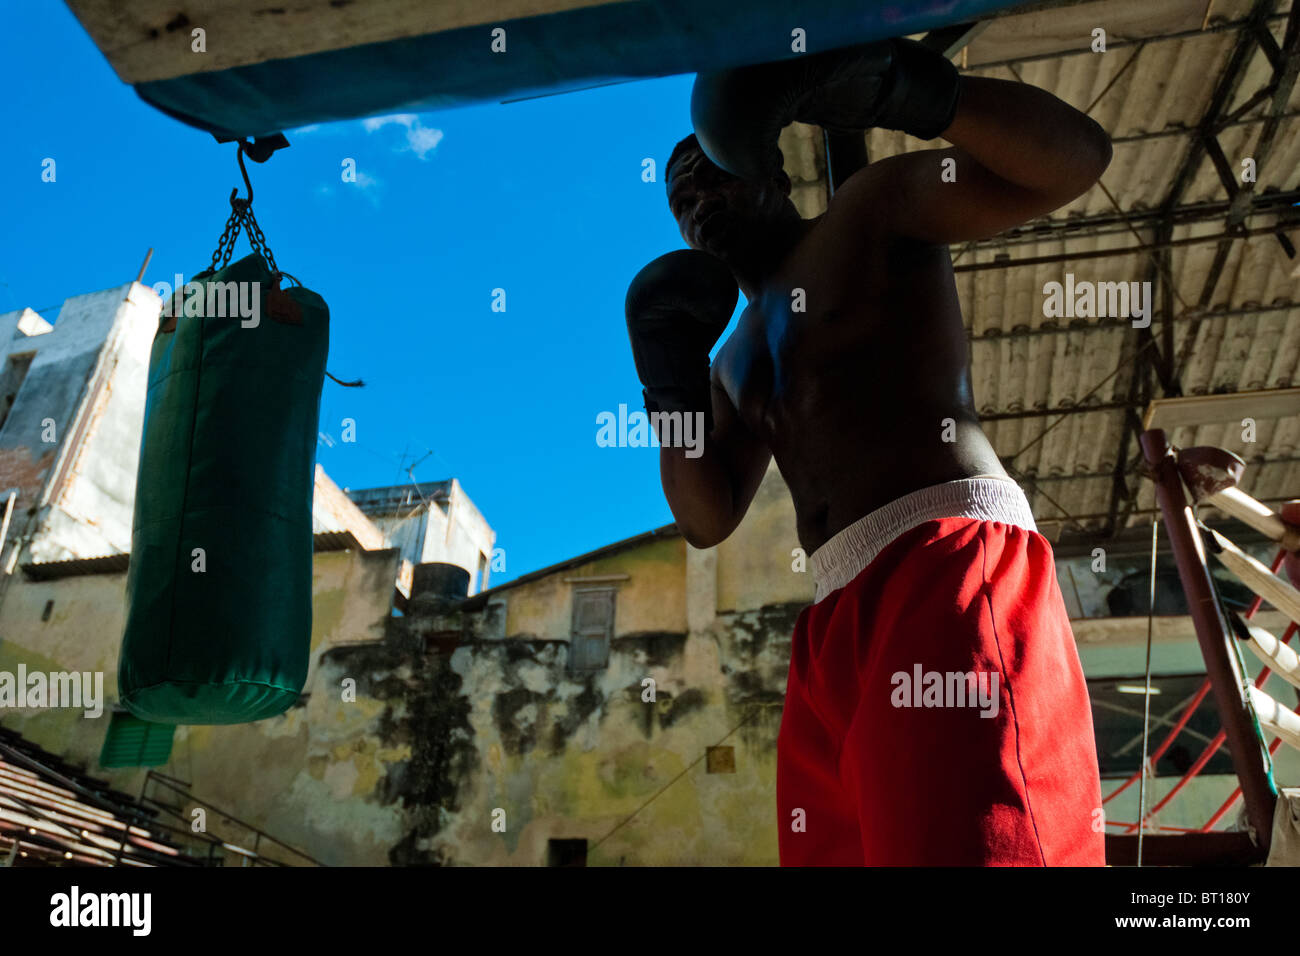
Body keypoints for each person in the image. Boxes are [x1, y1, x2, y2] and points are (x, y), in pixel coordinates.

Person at [624, 38, 1113, 865]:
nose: (696, 201)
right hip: (831, 621)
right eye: (679, 200)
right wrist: (665, 382)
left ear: (768, 169)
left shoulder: (869, 212)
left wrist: (907, 90)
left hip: (945, 560)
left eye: (709, 172)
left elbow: (1071, 162)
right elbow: (705, 518)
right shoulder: (733, 355)